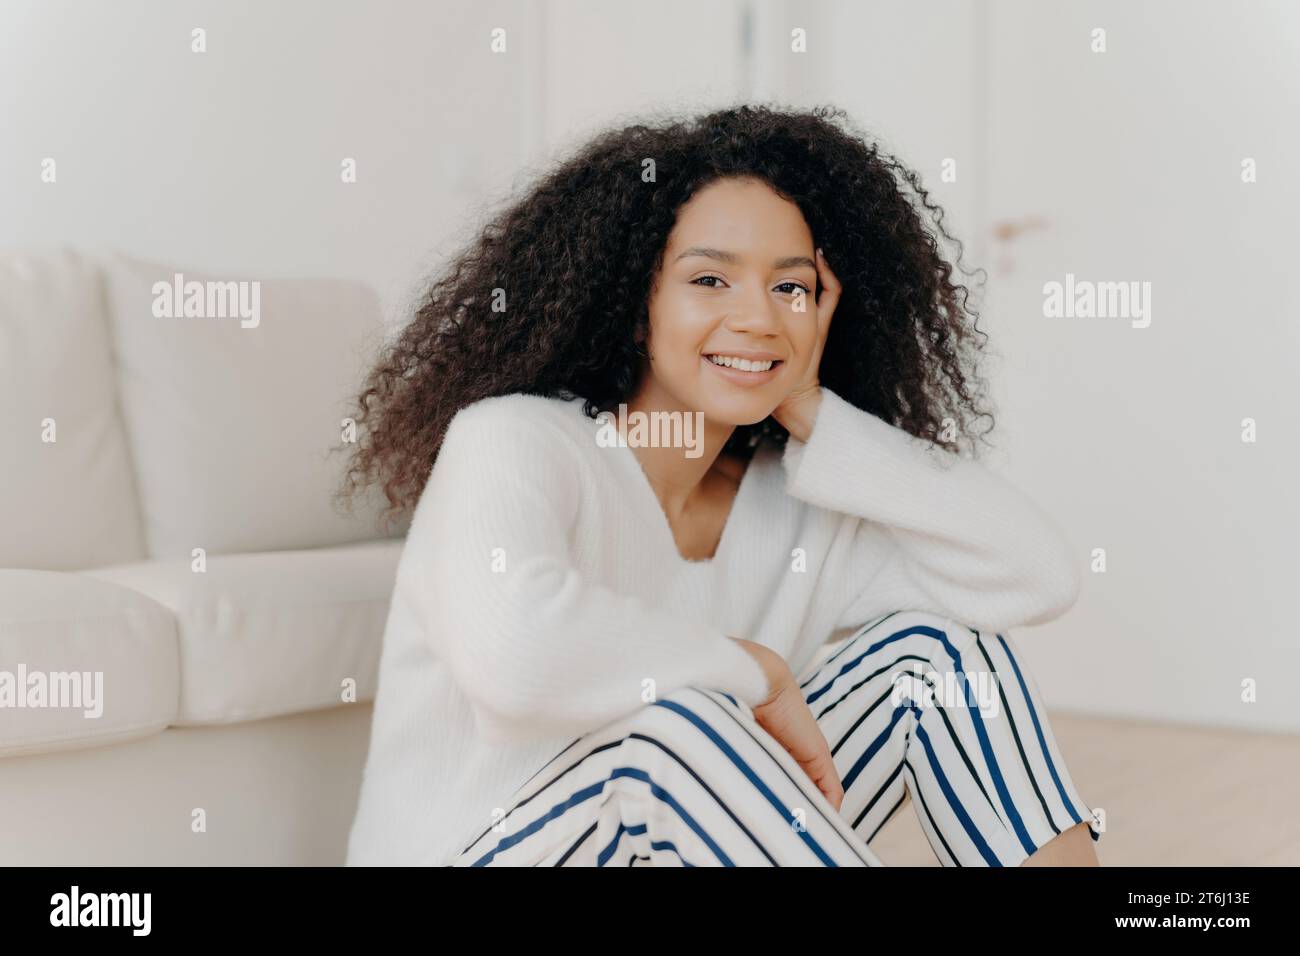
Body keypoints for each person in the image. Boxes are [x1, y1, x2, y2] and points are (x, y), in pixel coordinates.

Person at [338, 104, 1102, 867]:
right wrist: (754, 671)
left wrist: (810, 408)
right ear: (637, 306)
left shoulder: (798, 507)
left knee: (934, 659)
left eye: (791, 289)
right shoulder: (513, 439)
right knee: (679, 724)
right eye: (710, 279)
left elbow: (1036, 575)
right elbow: (516, 658)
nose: (758, 318)